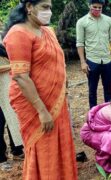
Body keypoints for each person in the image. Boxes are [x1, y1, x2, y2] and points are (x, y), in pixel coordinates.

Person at [2, 0, 78, 179]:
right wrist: (42, 111)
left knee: (60, 143)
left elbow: (58, 63)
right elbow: (21, 76)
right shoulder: (18, 33)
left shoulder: (47, 31)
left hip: (56, 101)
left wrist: (63, 90)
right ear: (29, 6)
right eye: (44, 7)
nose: (49, 11)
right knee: (44, 147)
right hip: (36, 105)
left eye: (50, 7)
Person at [76, 0, 111, 109]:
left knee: (108, 89)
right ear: (89, 6)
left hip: (106, 60)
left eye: (100, 7)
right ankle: (93, 115)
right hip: (92, 60)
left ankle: (109, 113)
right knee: (92, 90)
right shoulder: (82, 22)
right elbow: (80, 43)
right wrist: (82, 62)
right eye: (94, 7)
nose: (97, 9)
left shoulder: (108, 20)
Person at [0, 45, 24, 172]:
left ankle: (16, 149)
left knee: (12, 117)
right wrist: (13, 66)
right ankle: (1, 159)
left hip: (6, 86)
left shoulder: (2, 40)